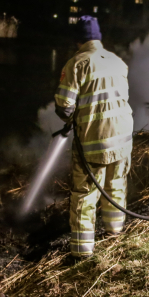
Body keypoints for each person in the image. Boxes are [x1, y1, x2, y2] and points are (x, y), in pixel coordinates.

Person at [55, 16, 134, 261]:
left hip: (93, 142)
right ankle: (114, 233)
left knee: (85, 194)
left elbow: (65, 106)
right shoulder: (117, 61)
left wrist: (71, 120)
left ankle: (81, 251)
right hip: (122, 138)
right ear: (98, 38)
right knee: (116, 185)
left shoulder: (77, 62)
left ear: (77, 39)